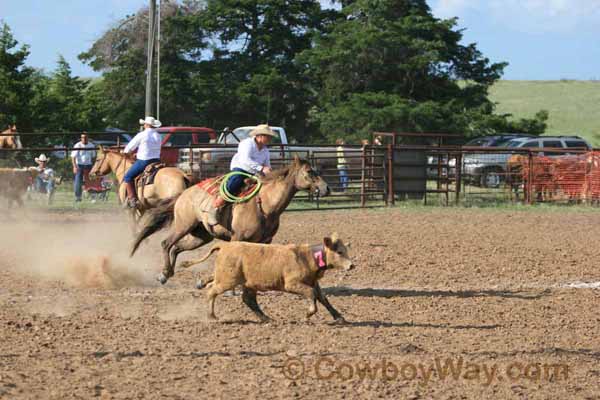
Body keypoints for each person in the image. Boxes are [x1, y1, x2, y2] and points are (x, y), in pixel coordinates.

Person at [207, 124, 277, 226]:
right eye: (268, 136)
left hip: (256, 173)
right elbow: (245, 160)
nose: (270, 139)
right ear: (260, 136)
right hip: (241, 169)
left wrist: (269, 171)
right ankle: (216, 206)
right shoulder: (247, 144)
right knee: (235, 182)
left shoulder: (265, 150)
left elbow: (267, 164)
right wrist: (261, 168)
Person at [122, 116, 163, 208]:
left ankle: (133, 199)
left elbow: (128, 148)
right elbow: (150, 148)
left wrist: (125, 152)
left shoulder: (142, 134)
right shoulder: (158, 135)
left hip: (144, 161)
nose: (144, 125)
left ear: (147, 125)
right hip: (156, 161)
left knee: (128, 177)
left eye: (144, 123)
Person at [71, 132, 96, 202]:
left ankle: (92, 196)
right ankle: (78, 197)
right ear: (81, 138)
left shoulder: (91, 145)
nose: (84, 139)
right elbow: (73, 157)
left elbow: (93, 157)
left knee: (91, 181)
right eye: (83, 137)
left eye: (85, 137)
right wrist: (74, 166)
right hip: (79, 165)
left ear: (88, 138)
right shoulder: (77, 145)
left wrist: (94, 166)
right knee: (78, 181)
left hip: (89, 165)